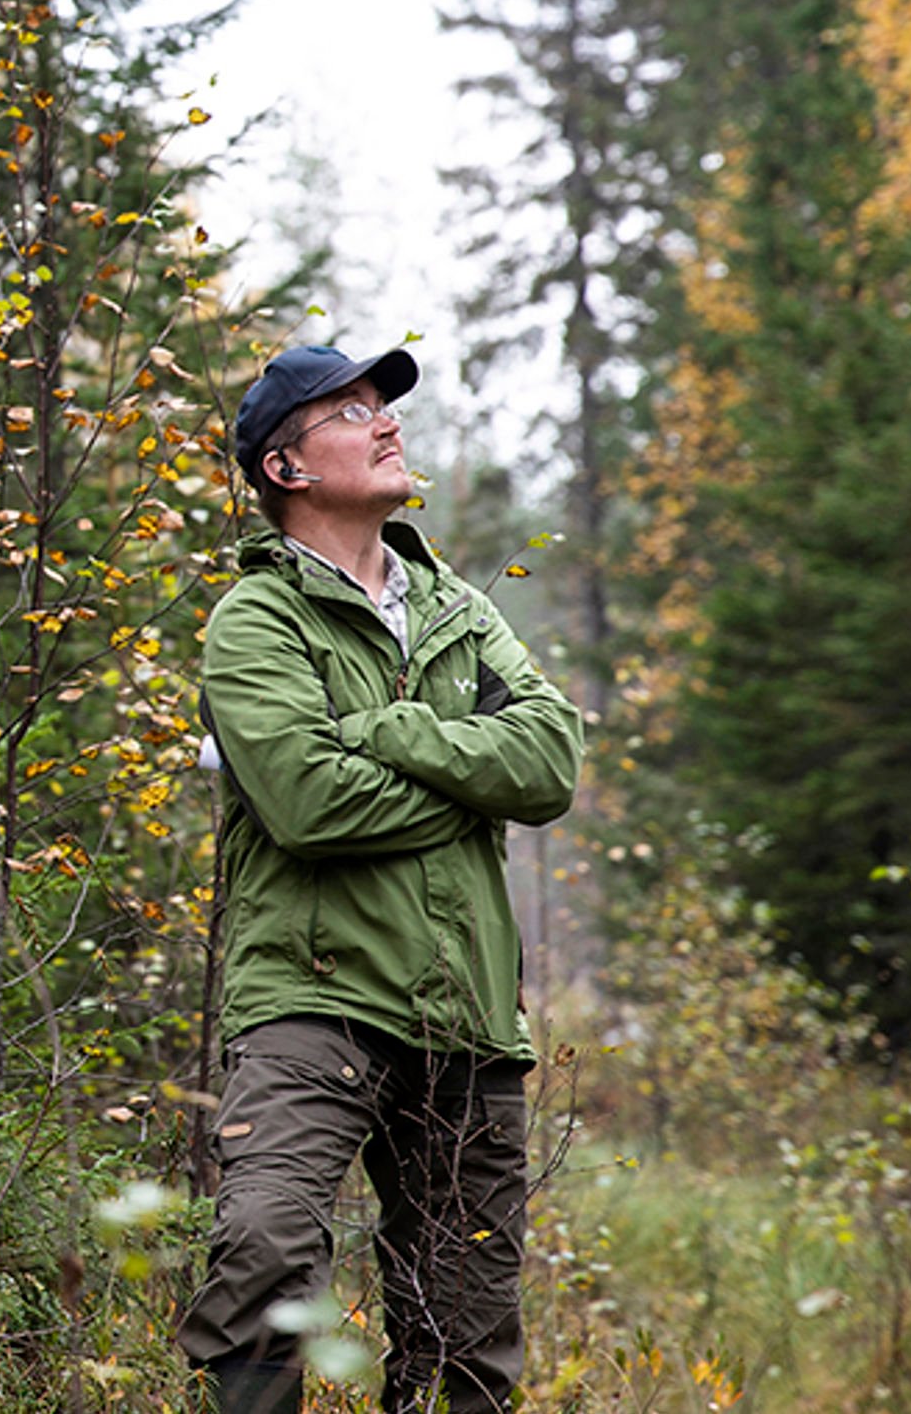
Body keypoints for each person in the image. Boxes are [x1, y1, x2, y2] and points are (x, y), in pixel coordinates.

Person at [182, 343, 584, 1414]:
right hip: (315, 996)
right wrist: (464, 772)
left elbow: (548, 763)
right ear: (287, 468)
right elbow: (308, 802)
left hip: (465, 1012)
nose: (386, 423)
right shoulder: (258, 619)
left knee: (464, 1330)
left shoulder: (458, 609)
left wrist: (387, 728)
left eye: (384, 407)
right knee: (263, 1253)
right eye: (353, 410)